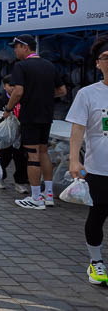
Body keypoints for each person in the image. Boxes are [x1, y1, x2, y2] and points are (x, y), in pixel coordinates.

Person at [5, 34, 66, 210]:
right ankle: (48, 195)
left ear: (25, 47)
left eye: (15, 47)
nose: (14, 51)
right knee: (43, 152)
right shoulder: (50, 65)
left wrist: (8, 109)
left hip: (30, 116)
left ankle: (35, 197)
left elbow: (17, 92)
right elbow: (61, 90)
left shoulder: (21, 66)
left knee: (32, 155)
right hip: (47, 115)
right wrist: (44, 97)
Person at [67, 35, 108, 285]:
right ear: (97, 64)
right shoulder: (88, 94)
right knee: (98, 215)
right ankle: (96, 262)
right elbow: (77, 130)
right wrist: (74, 160)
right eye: (106, 58)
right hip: (99, 169)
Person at [0, 75, 28, 193]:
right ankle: (0, 177)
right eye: (10, 85)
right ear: (4, 86)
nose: (13, 88)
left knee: (21, 159)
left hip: (20, 134)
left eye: (15, 86)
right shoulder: (1, 100)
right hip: (6, 135)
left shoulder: (24, 99)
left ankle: (20, 182)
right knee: (4, 157)